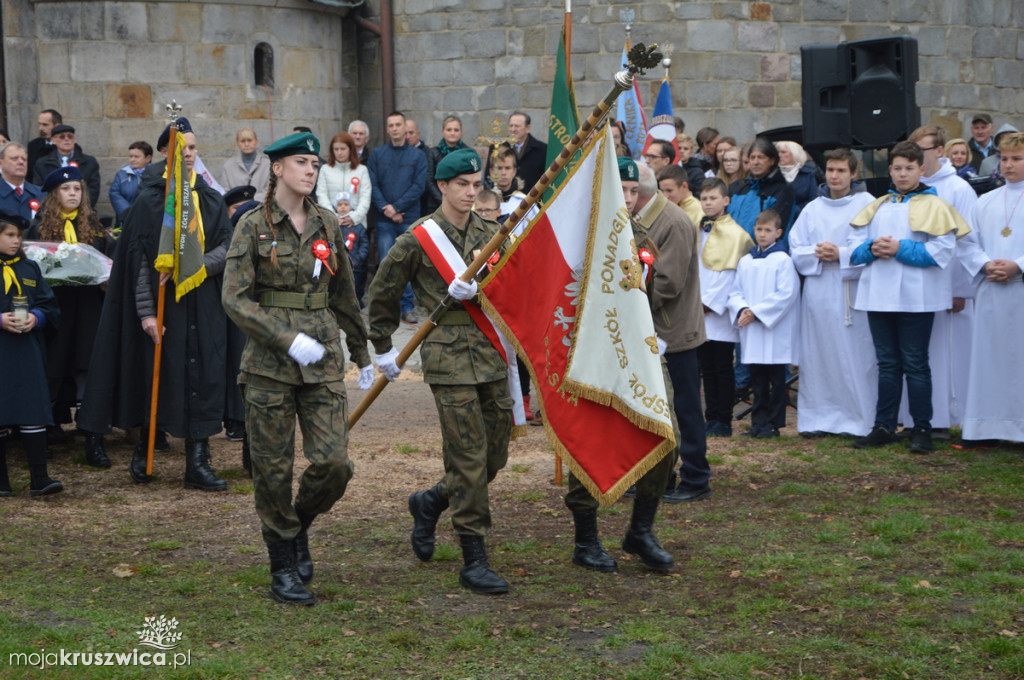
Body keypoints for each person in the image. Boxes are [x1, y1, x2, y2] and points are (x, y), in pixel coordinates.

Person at [222, 131, 373, 606]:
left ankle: (297, 524)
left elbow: (344, 293)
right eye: (302, 163)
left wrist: (363, 352)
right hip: (270, 364)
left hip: (323, 358)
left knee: (334, 464)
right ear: (278, 169)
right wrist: (285, 339)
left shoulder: (327, 223)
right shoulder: (252, 225)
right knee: (272, 469)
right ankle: (282, 564)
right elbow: (234, 298)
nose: (311, 170)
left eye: (315, 163)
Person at [368, 148, 515, 594]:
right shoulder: (418, 238)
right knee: (468, 459)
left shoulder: (493, 233)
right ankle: (474, 558)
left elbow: (513, 285)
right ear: (442, 187)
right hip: (448, 358)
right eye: (462, 185)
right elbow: (382, 295)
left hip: (490, 353)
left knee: (495, 456)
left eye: (476, 185)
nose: (471, 193)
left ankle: (429, 501)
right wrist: (381, 350)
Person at [77, 117, 232, 490]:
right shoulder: (150, 200)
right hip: (165, 306)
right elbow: (139, 259)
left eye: (194, 148)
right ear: (165, 152)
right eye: (182, 148)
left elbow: (226, 248)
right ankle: (144, 448)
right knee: (160, 378)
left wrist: (193, 267)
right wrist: (146, 312)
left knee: (203, 377)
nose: (189, 155)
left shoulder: (210, 199)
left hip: (203, 302)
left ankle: (198, 462)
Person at [564, 158, 680, 573]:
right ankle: (586, 538)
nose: (628, 199)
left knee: (666, 433)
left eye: (634, 191)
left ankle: (641, 530)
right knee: (591, 438)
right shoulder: (579, 234)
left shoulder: (640, 233)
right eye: (622, 190)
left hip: (636, 349)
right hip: (589, 349)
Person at [848, 141, 967, 454]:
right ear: (890, 170)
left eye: (909, 168)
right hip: (878, 295)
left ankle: (921, 429)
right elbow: (854, 248)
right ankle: (884, 425)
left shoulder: (936, 206)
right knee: (887, 363)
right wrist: (873, 248)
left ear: (921, 170)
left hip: (917, 296)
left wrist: (899, 248)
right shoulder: (879, 204)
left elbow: (942, 251)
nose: (903, 174)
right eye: (897, 168)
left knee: (915, 364)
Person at [628, 163, 711, 506]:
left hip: (673, 331)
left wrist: (627, 301)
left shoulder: (673, 222)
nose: (626, 198)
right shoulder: (642, 220)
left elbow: (668, 282)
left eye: (631, 191)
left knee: (685, 406)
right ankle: (661, 473)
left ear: (641, 193)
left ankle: (696, 476)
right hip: (652, 328)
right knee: (654, 406)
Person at [788, 148, 877, 438]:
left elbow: (873, 245)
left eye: (841, 170)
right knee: (819, 355)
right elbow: (796, 246)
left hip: (851, 289)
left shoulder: (868, 204)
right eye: (830, 170)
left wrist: (840, 253)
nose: (835, 176)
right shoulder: (814, 207)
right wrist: (817, 253)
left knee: (854, 356)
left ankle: (858, 419)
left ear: (853, 173)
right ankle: (818, 419)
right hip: (819, 290)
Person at [31, 167, 116, 467]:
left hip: (88, 308)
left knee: (87, 366)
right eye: (66, 189)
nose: (73, 194)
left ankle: (93, 435)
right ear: (55, 194)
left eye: (77, 189)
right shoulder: (38, 228)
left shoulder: (93, 227)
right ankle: (43, 432)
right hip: (55, 308)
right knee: (51, 367)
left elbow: (107, 260)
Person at [899, 125, 980, 440]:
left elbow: (967, 242)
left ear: (940, 151)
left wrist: (959, 290)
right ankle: (917, 419)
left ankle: (945, 419)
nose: (916, 156)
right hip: (914, 287)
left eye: (923, 150)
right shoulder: (909, 188)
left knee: (946, 356)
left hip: (949, 291)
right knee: (918, 355)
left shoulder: (958, 189)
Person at [957, 132, 1024, 448]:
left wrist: (1018, 265)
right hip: (992, 291)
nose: (1009, 165)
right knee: (990, 360)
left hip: (1020, 288)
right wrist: (985, 264)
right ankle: (986, 427)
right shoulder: (985, 201)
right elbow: (967, 243)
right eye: (1005, 159)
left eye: (1017, 159)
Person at [0, 212, 63, 496]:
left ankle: (40, 477)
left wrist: (36, 318)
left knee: (32, 408)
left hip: (26, 350)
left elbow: (50, 307)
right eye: (9, 235)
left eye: (18, 235)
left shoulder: (30, 268)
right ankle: (2, 482)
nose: (16, 240)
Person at [727, 209, 800, 438]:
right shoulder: (746, 260)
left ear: (778, 232)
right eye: (759, 229)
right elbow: (735, 291)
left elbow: (786, 294)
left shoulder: (783, 260)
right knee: (757, 380)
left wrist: (757, 312)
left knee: (776, 380)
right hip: (753, 329)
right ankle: (758, 422)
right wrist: (742, 309)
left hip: (773, 328)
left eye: (767, 230)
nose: (762, 234)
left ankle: (774, 423)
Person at [696, 177, 754, 437]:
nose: (708, 203)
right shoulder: (698, 229)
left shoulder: (736, 234)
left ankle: (724, 418)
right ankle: (711, 416)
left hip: (716, 310)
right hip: (697, 307)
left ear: (726, 200)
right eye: (704, 198)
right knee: (706, 366)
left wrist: (709, 303)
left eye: (713, 198)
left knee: (722, 364)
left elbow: (731, 274)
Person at [367, 111, 427, 324]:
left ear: (405, 127)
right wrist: (386, 208)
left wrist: (398, 208)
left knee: (407, 264)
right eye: (390, 125)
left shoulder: (418, 156)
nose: (394, 128)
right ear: (387, 128)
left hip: (408, 217)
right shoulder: (377, 155)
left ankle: (407, 306)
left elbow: (419, 186)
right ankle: (387, 308)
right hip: (384, 219)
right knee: (386, 263)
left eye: (398, 125)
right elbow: (372, 184)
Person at [729, 137, 796, 243]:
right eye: (752, 158)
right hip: (733, 251)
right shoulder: (736, 188)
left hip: (763, 255)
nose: (756, 162)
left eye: (761, 157)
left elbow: (777, 230)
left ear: (772, 161)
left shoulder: (782, 191)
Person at [32, 125, 101, 208]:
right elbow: (39, 190)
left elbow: (93, 191)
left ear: (74, 139)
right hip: (51, 212)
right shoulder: (42, 163)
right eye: (62, 137)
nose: (66, 139)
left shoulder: (89, 162)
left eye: (70, 136)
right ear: (53, 140)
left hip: (81, 211)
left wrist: (80, 209)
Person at [315, 131, 371, 227]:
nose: (339, 153)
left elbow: (365, 197)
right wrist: (334, 217)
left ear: (350, 149)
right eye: (336, 149)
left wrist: (353, 217)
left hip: (356, 224)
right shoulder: (325, 169)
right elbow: (322, 195)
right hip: (332, 223)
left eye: (343, 149)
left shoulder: (362, 170)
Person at [486, 112, 547, 193]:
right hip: (503, 199)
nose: (513, 129)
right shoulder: (496, 147)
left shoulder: (542, 150)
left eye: (517, 126)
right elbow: (488, 176)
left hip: (532, 200)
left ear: (527, 128)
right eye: (511, 126)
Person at [425, 115, 469, 215]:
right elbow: (429, 180)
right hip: (436, 205)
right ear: (443, 132)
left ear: (461, 132)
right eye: (449, 129)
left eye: (456, 130)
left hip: (460, 202)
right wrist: (443, 201)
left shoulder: (467, 152)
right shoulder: (433, 152)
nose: (452, 133)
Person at [334, 191, 369, 300]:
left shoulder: (358, 227)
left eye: (346, 204)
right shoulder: (334, 226)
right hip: (337, 265)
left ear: (351, 206)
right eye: (340, 205)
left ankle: (355, 307)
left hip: (354, 265)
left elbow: (364, 244)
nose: (343, 207)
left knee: (354, 287)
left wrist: (359, 258)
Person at [221, 127, 271, 202]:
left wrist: (250, 200)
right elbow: (225, 191)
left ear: (256, 141)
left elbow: (270, 190)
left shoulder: (267, 165)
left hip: (260, 207)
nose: (246, 144)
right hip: (237, 209)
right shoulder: (228, 166)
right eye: (243, 141)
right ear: (238, 143)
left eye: (250, 140)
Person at [109, 141, 153, 224]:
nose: (132, 159)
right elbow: (114, 193)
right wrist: (129, 214)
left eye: (136, 157)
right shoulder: (122, 175)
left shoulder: (155, 174)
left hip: (149, 221)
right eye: (131, 156)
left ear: (148, 158)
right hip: (125, 221)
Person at [0, 142, 44, 224]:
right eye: (14, 158)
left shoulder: (41, 194)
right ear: (1, 164)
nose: (21, 162)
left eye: (24, 159)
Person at [775, 140, 822, 215]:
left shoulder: (808, 175)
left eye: (783, 152)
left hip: (800, 218)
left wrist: (794, 210)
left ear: (794, 153)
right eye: (777, 152)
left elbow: (813, 201)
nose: (779, 155)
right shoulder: (773, 174)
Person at [657, 164, 704, 228]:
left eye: (669, 191)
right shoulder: (664, 207)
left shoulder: (699, 212)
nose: (665, 196)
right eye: (662, 191)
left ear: (684, 186)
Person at [26, 108, 61, 182]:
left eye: (45, 125)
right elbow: (29, 173)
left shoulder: (67, 146)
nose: (40, 128)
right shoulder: (33, 145)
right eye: (39, 124)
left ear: (57, 126)